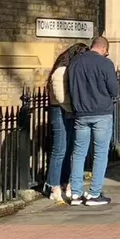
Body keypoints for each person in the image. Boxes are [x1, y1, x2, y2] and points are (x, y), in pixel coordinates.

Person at [68, 36, 119, 208]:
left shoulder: (75, 62)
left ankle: (75, 193)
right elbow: (114, 90)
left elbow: (71, 87)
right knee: (100, 154)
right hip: (101, 113)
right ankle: (94, 193)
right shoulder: (105, 63)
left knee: (78, 153)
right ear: (104, 48)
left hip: (81, 113)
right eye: (106, 52)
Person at [45, 43, 88, 203]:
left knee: (69, 149)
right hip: (59, 111)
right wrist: (76, 106)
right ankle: (53, 186)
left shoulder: (71, 70)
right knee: (60, 149)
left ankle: (64, 182)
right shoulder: (61, 71)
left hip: (69, 111)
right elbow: (61, 97)